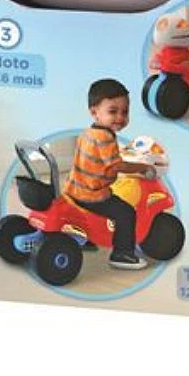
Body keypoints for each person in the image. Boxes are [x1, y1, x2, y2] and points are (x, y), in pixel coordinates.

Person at [63, 79, 156, 269]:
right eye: (113, 111)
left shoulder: (88, 132)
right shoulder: (105, 137)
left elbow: (96, 161)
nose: (120, 117)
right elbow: (116, 166)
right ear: (94, 112)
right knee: (126, 212)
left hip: (73, 190)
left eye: (125, 112)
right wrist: (142, 167)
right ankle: (122, 253)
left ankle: (85, 236)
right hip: (92, 195)